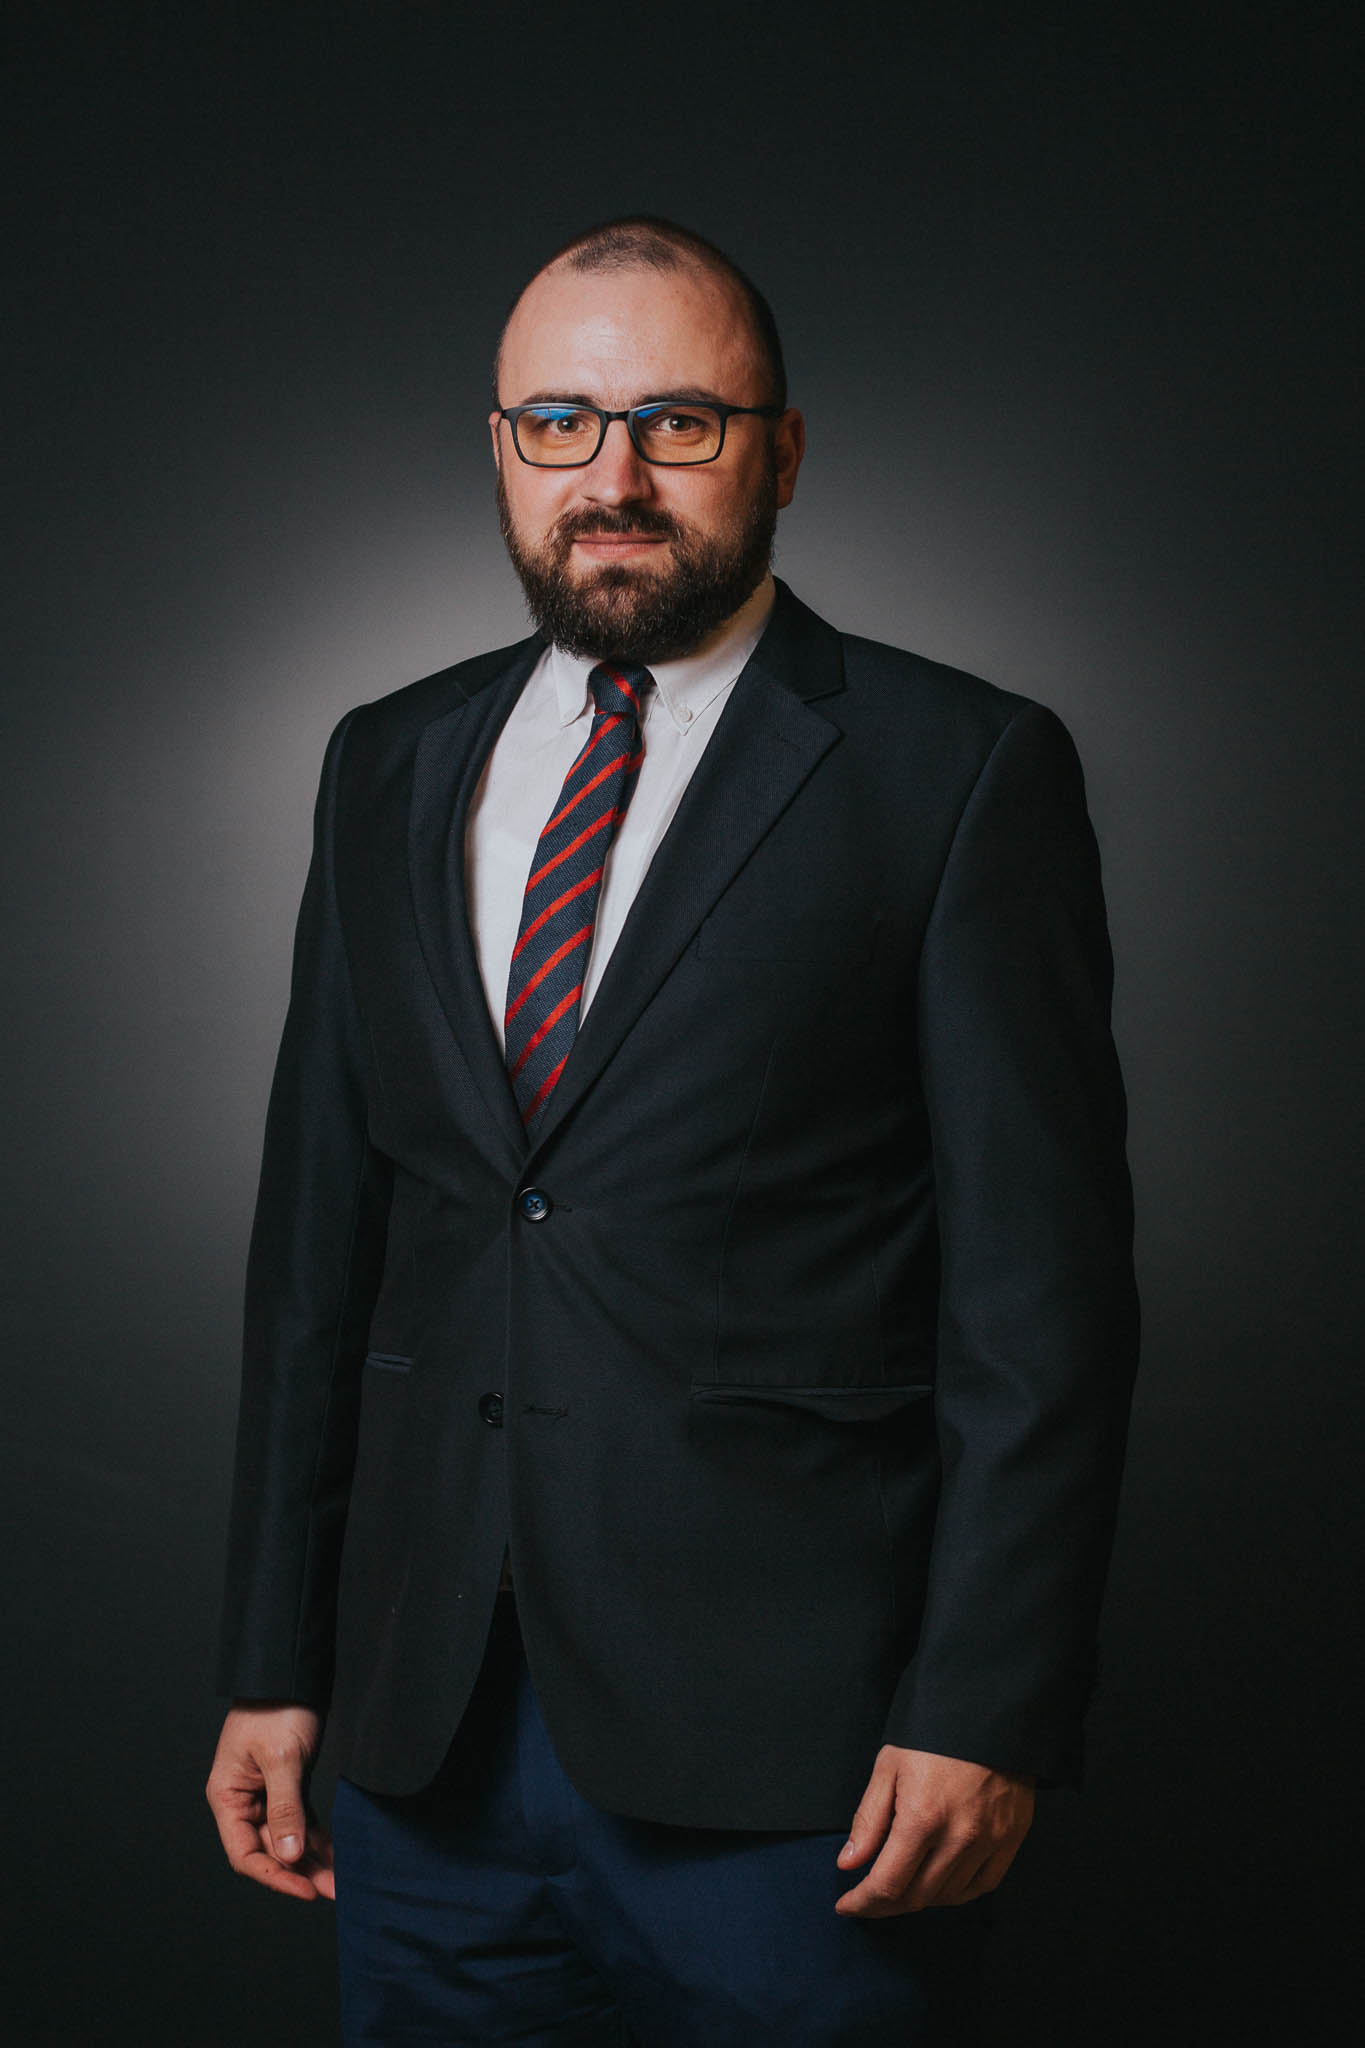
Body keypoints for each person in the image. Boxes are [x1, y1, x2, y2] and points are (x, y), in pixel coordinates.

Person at [207, 215, 1139, 2045]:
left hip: (807, 1769)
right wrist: (273, 1657)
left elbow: (1040, 1303)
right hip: (421, 1744)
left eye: (678, 423)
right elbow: (317, 1254)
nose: (611, 478)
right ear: (500, 449)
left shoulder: (957, 768)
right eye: (558, 423)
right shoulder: (383, 759)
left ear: (780, 453)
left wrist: (986, 1705)